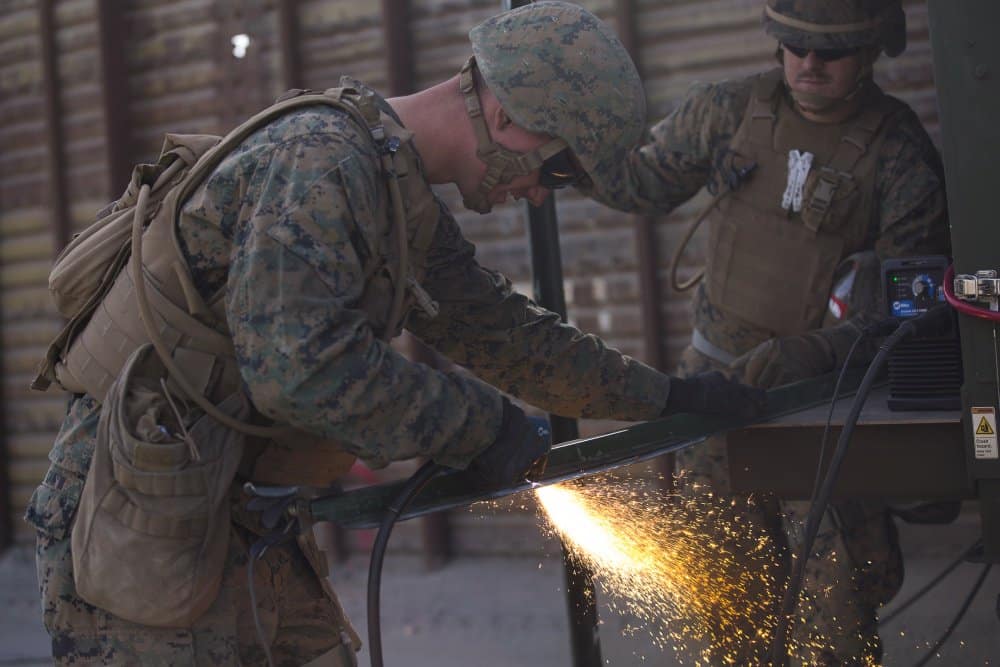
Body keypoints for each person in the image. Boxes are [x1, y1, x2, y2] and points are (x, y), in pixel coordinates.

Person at [23, 2, 765, 665]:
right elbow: (301, 370)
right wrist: (477, 425)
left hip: (235, 508)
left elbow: (504, 334)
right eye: (556, 169)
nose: (538, 191)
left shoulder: (396, 190)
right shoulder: (324, 162)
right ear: (505, 116)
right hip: (141, 515)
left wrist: (666, 396)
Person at [590, 0, 951, 664]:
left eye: (831, 51)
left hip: (821, 417)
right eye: (795, 45)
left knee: (835, 623)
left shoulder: (899, 153)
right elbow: (641, 184)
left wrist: (813, 351)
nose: (809, 62)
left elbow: (916, 315)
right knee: (728, 612)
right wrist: (571, 141)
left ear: (870, 52)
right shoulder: (728, 112)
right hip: (712, 404)